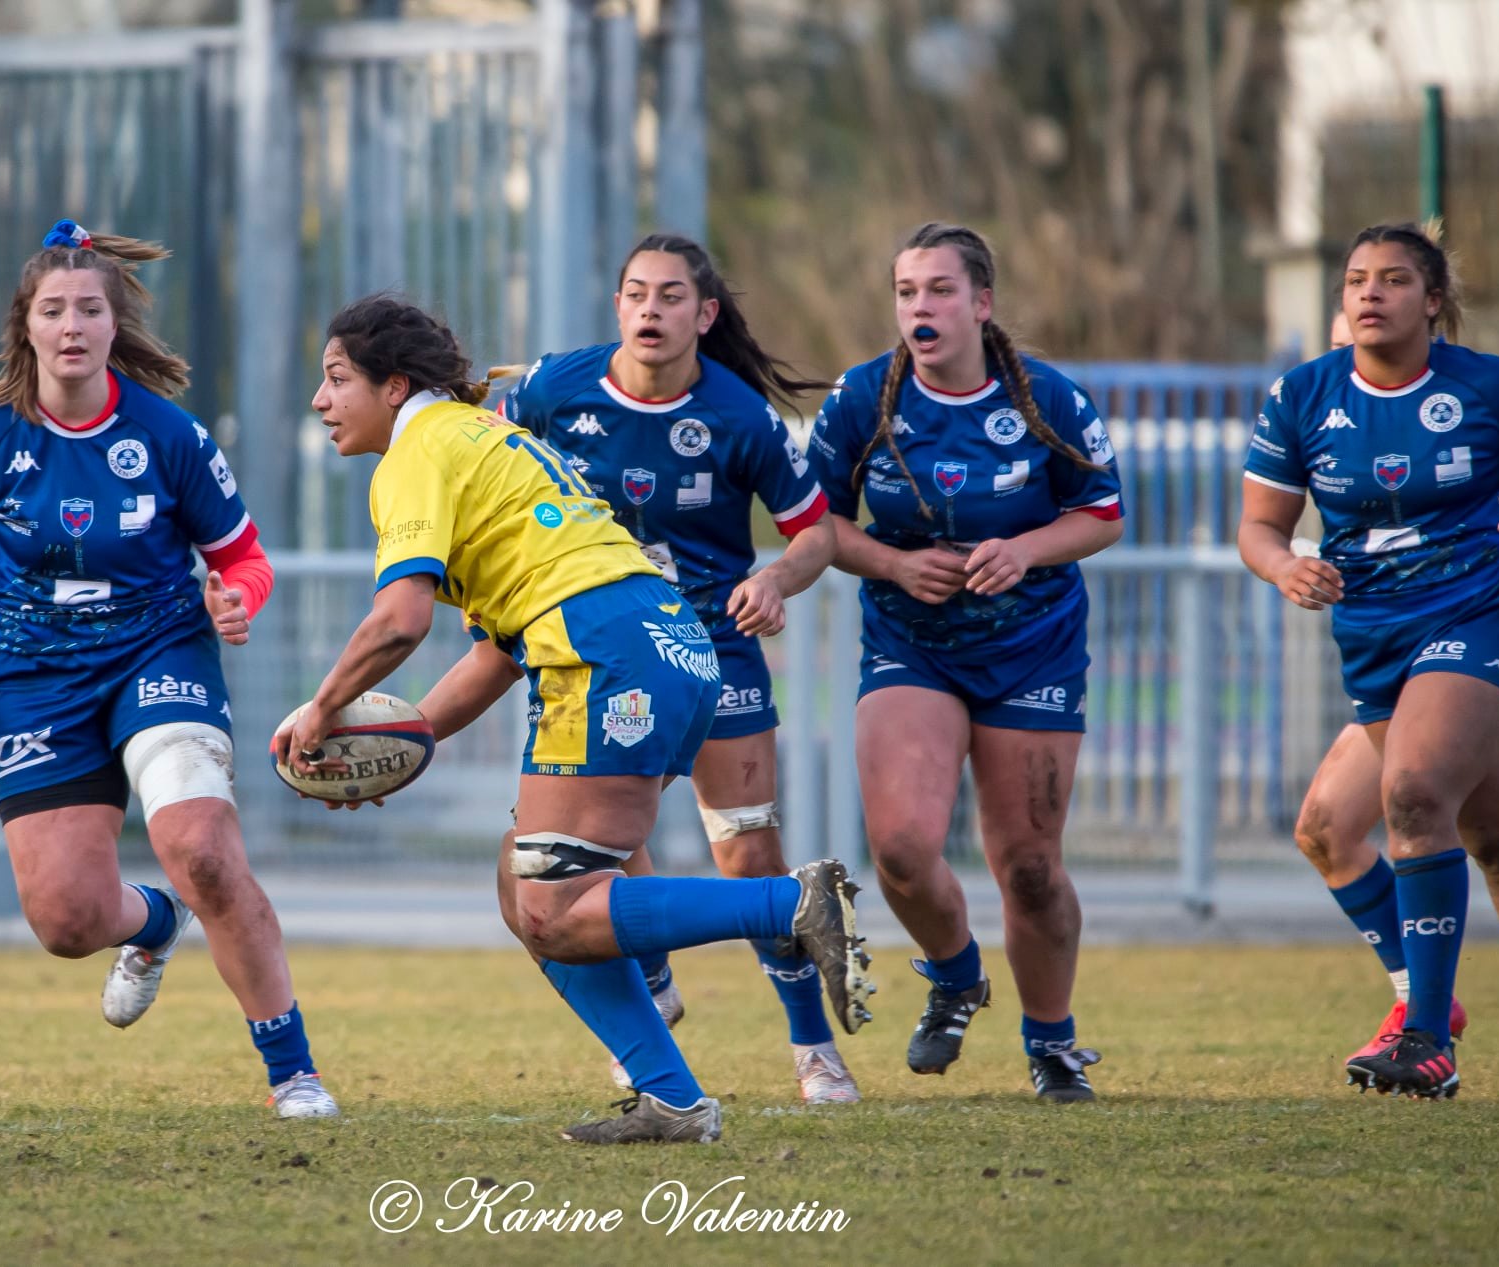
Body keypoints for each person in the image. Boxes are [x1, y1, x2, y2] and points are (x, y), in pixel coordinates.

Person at [272, 294, 874, 1145]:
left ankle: (788, 904)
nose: (320, 400)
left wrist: (324, 710)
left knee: (554, 905)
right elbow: (494, 650)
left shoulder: (417, 453)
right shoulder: (487, 439)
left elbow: (399, 619)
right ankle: (671, 1098)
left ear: (394, 384)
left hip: (606, 655)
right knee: (527, 892)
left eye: (336, 380)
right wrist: (402, 745)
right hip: (666, 645)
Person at [0, 219, 337, 1120]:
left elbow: (243, 558)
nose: (73, 325)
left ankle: (293, 1071)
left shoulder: (169, 434)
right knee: (65, 920)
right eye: (54, 308)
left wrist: (237, 600)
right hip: (35, 673)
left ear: (114, 324)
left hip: (160, 650)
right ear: (26, 324)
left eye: (90, 309)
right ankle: (152, 921)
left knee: (204, 852)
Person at [495, 233, 853, 1104]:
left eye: (668, 296)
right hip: (602, 651)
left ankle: (813, 1046)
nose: (649, 310)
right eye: (633, 293)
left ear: (706, 315)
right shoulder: (554, 389)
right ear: (616, 306)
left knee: (750, 855)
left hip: (715, 649)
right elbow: (489, 468)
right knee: (599, 849)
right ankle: (652, 994)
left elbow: (818, 534)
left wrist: (771, 577)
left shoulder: (739, 415)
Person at [806, 222, 1124, 1102]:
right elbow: (818, 523)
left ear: (981, 304)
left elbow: (1102, 514)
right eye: (907, 292)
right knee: (902, 848)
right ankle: (955, 973)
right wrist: (897, 563)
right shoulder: (863, 399)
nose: (920, 307)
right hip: (913, 643)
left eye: (939, 290)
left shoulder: (1047, 399)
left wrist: (1024, 550)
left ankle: (1053, 1044)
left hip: (1032, 648)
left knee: (1027, 864)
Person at [1241, 220, 1499, 1098]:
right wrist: (1286, 562)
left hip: (1480, 616)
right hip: (1374, 634)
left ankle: (1424, 1035)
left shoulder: (1491, 385)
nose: (1370, 292)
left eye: (1395, 279)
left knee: (1410, 794)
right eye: (1357, 279)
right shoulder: (1302, 393)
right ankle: (1430, 1012)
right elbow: (1258, 525)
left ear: (1433, 301)